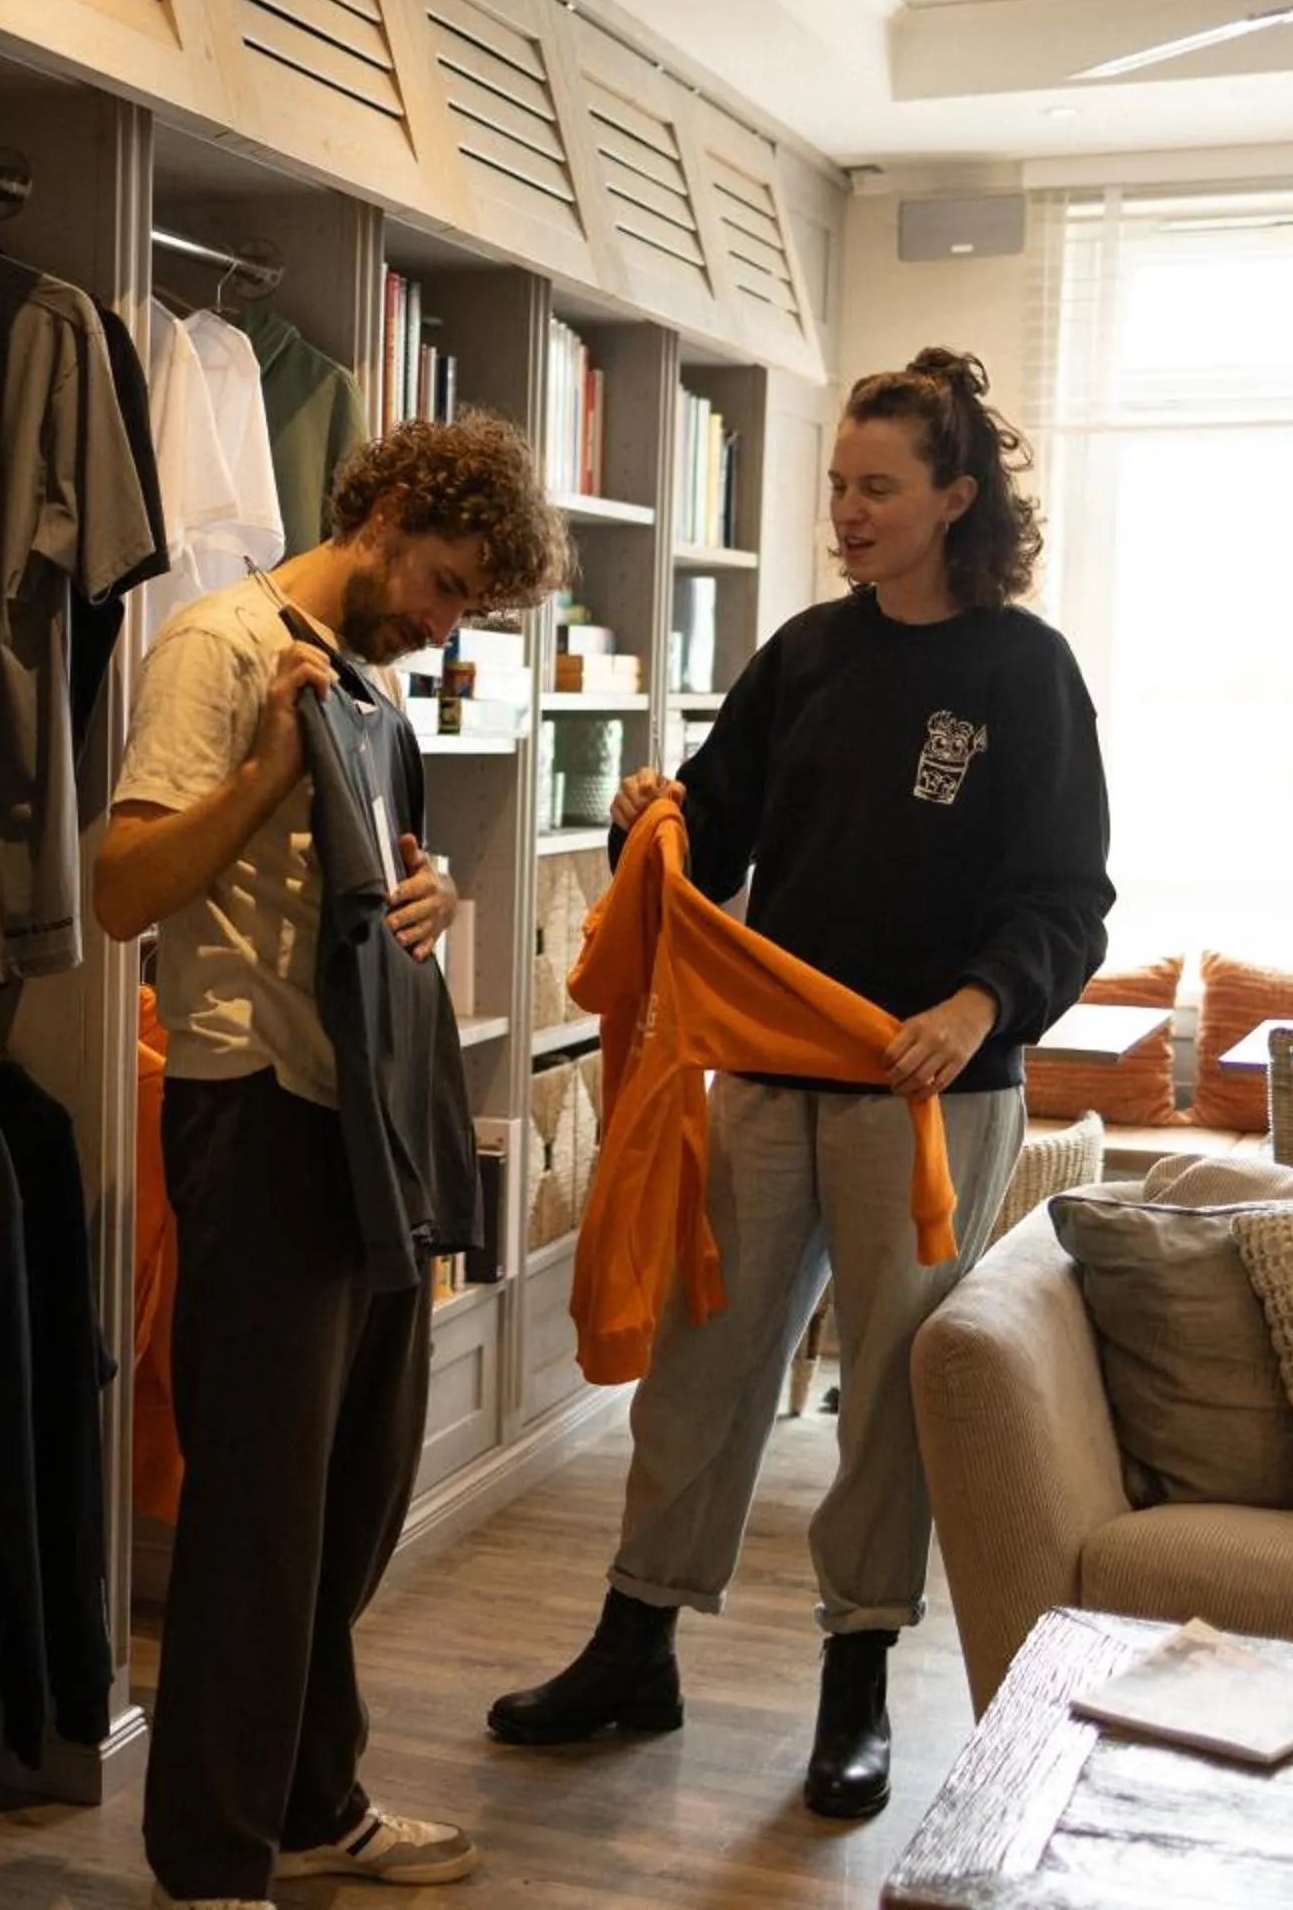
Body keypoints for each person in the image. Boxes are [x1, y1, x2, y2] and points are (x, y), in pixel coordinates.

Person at [485, 348, 1111, 1821]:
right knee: (707, 1358)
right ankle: (637, 1641)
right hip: (766, 1066)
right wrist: (662, 819)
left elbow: (1068, 899)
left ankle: (858, 1685)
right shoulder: (810, 654)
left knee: (890, 1391)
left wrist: (976, 1002)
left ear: (958, 499)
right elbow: (719, 815)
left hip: (930, 1092)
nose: (847, 511)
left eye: (878, 487)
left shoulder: (1027, 674)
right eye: (838, 484)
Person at [97, 413, 565, 1907]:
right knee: (259, 1509)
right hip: (256, 1110)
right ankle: (213, 1855)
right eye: (443, 584)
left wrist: (421, 900)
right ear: (392, 510)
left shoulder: (362, 679)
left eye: (468, 607)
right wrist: (262, 775)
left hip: (360, 1121)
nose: (444, 624)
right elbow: (121, 889)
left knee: (353, 1493)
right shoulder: (219, 647)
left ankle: (312, 1795)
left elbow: (363, 883)